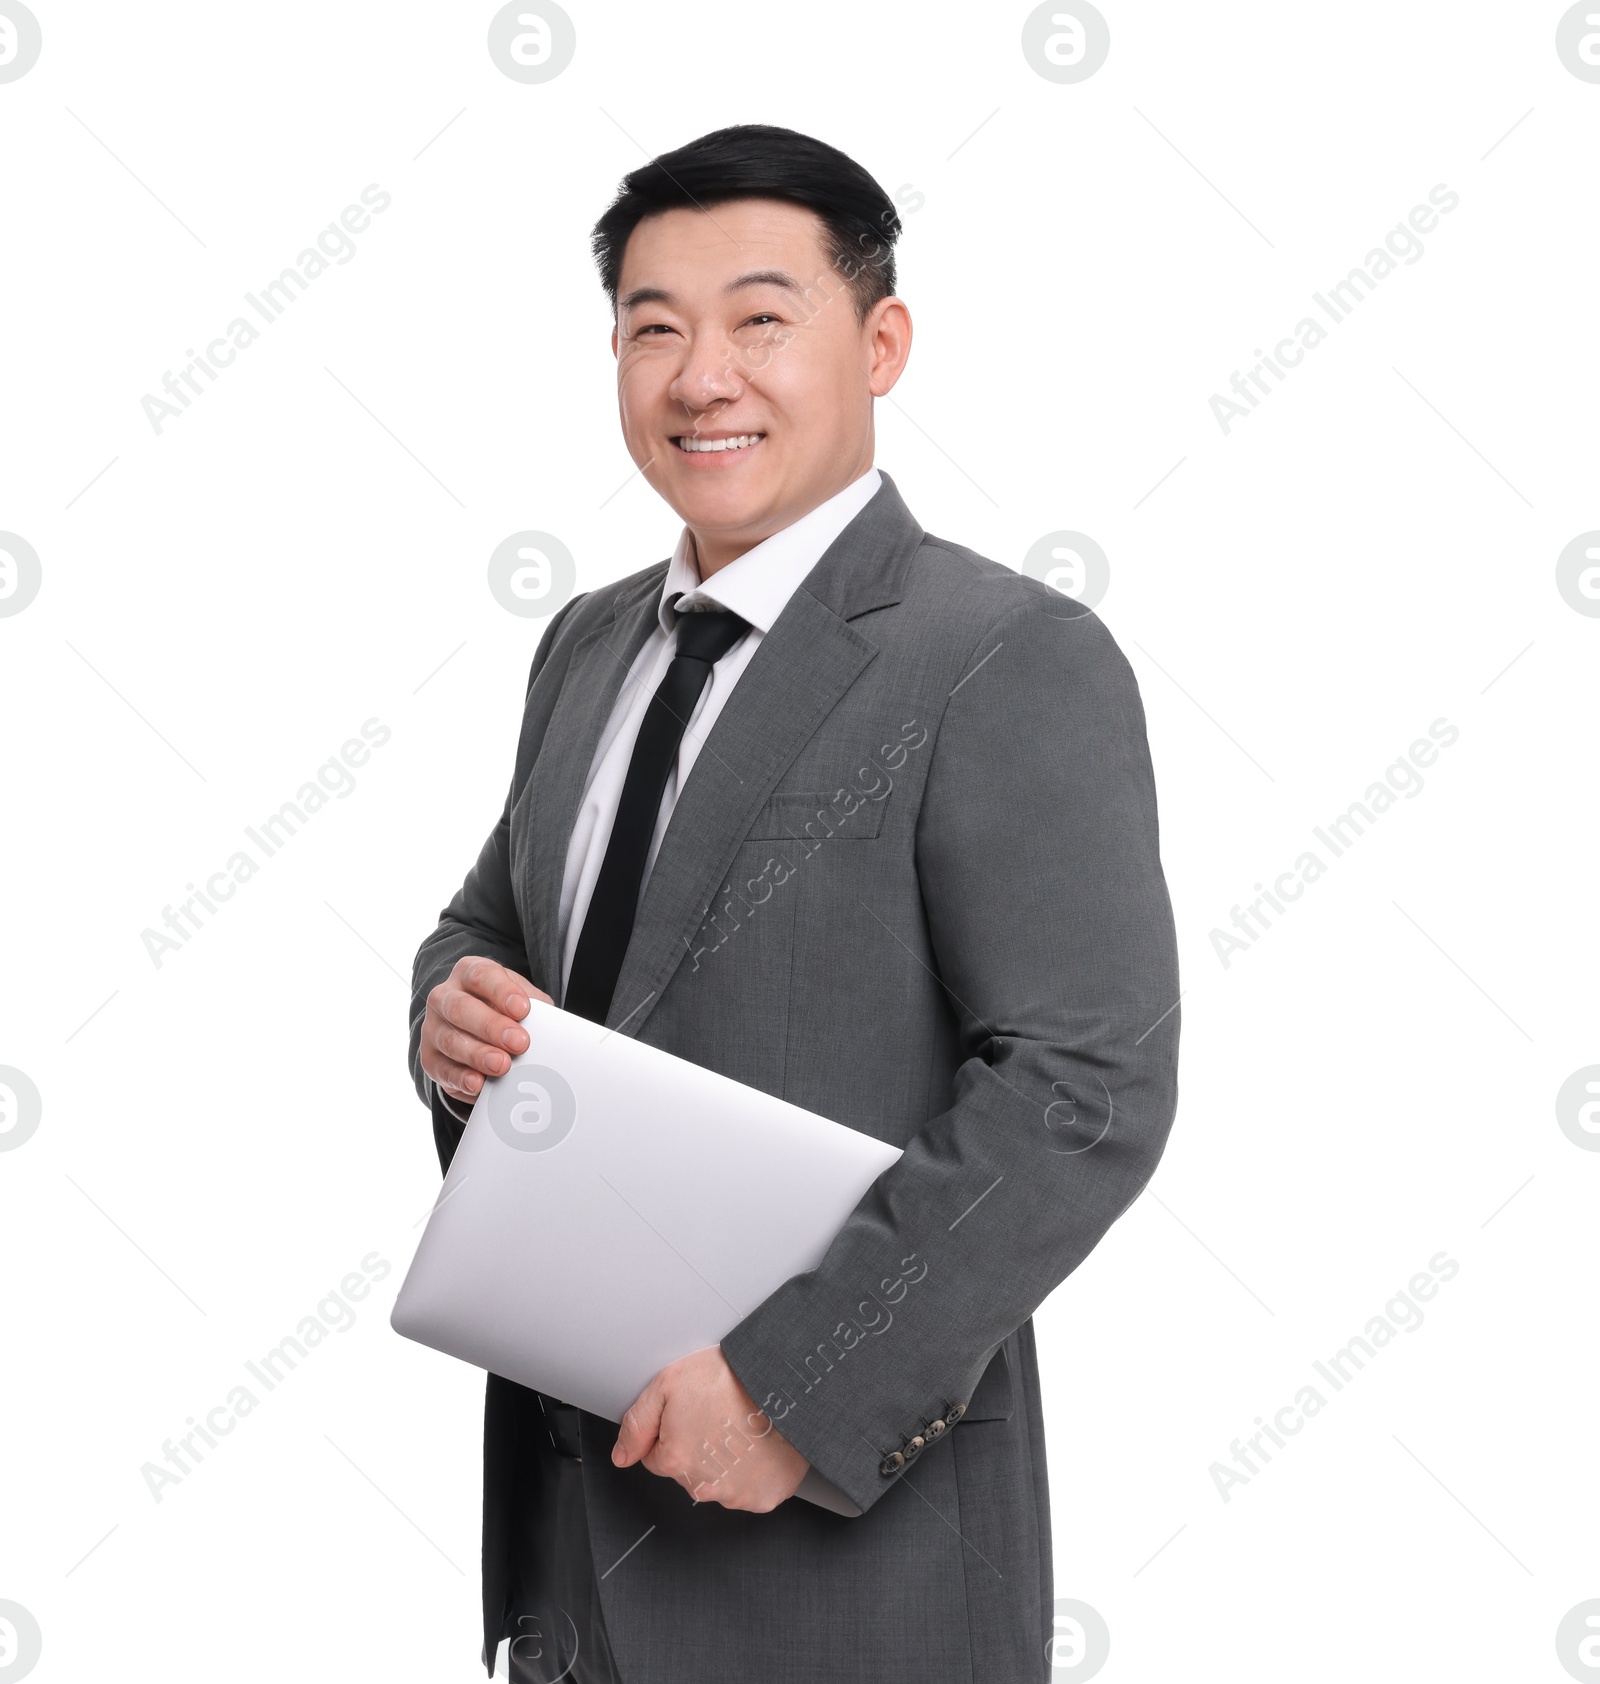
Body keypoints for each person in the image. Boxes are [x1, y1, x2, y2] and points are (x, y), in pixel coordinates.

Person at [409, 122, 1180, 1684]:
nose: (705, 376)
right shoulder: (587, 645)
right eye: (655, 326)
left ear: (880, 342)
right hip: (572, 1545)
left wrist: (788, 1387)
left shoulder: (1001, 655)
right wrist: (451, 1002)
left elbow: (1085, 1088)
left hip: (848, 1557)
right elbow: (506, 923)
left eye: (763, 320)